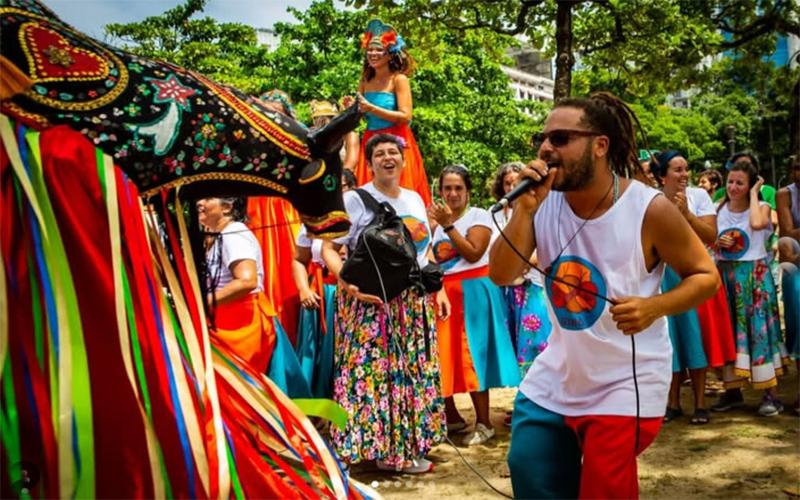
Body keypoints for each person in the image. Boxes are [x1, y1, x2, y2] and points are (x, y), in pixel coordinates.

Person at [491, 92, 718, 499]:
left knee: (604, 490)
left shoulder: (649, 209)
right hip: (559, 373)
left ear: (600, 146)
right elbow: (502, 273)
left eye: (560, 138)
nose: (546, 148)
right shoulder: (540, 204)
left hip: (624, 381)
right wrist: (523, 211)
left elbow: (706, 276)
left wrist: (654, 306)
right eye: (541, 139)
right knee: (528, 465)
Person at [321, 133, 449, 473]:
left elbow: (425, 249)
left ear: (404, 160)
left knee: (409, 376)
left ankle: (402, 451)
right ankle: (356, 449)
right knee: (368, 374)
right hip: (370, 302)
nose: (388, 157)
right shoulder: (355, 200)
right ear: (370, 161)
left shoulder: (416, 199)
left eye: (394, 151)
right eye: (380, 153)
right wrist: (347, 286)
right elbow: (328, 249)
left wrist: (441, 290)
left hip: (413, 301)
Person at [427, 164, 520, 446]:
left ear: (468, 191)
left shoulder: (479, 215)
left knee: (474, 357)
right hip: (445, 292)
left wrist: (447, 225)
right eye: (447, 188)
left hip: (474, 291)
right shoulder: (435, 222)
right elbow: (430, 255)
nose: (452, 194)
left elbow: (473, 251)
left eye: (458, 188)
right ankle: (451, 416)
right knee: (444, 354)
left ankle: (483, 422)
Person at [652, 150, 730, 425]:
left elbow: (712, 237)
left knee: (696, 339)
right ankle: (672, 402)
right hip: (663, 278)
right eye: (677, 170)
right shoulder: (651, 199)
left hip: (695, 276)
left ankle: (699, 403)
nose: (684, 175)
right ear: (662, 175)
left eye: (686, 169)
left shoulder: (700, 196)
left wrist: (686, 214)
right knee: (670, 341)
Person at [711, 162, 789, 416]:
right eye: (730, 181)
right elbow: (706, 238)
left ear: (750, 185)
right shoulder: (718, 207)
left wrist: (756, 193)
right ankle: (732, 391)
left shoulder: (762, 207)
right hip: (727, 276)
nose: (733, 187)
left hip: (754, 278)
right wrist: (716, 241)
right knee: (729, 333)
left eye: (740, 183)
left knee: (760, 333)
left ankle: (770, 394)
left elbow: (756, 224)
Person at [347, 19, 432, 205]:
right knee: (369, 194)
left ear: (390, 54)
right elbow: (359, 112)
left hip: (397, 139)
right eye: (370, 49)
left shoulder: (399, 79)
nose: (373, 53)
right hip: (370, 140)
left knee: (401, 193)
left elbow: (406, 116)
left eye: (378, 50)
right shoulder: (365, 79)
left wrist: (372, 108)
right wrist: (350, 108)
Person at [490, 162, 553, 391]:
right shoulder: (496, 212)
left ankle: (535, 393)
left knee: (535, 343)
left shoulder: (539, 208)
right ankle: (519, 398)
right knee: (512, 345)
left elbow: (541, 251)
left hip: (533, 287)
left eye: (516, 183)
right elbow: (493, 253)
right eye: (507, 183)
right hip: (505, 290)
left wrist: (520, 261)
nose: (511, 187)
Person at [199, 197, 275, 372]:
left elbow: (247, 281)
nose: (200, 203)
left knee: (236, 385)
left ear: (226, 207)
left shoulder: (234, 233)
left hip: (240, 325)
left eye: (207, 197)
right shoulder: (220, 235)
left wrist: (204, 302)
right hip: (226, 321)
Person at [776, 156, 800, 415]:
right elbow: (786, 231)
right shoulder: (785, 194)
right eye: (795, 167)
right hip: (795, 269)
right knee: (797, 325)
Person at [310, 99, 360, 172]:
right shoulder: (312, 135)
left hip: (341, 176)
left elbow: (351, 163)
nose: (322, 121)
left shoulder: (350, 136)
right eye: (317, 119)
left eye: (328, 117)